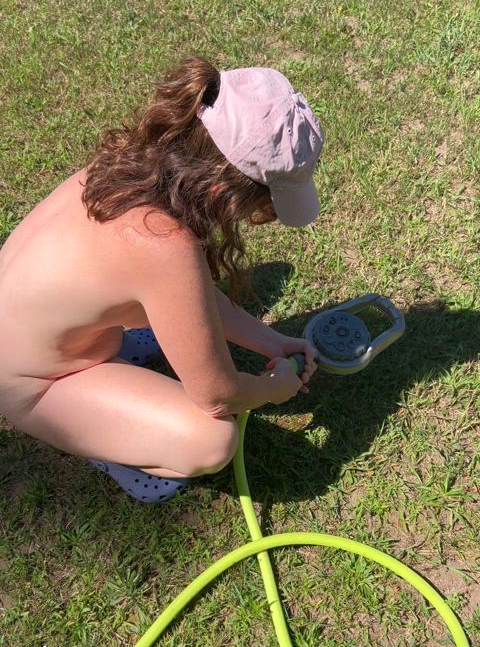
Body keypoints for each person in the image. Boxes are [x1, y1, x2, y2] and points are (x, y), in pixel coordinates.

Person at [0, 55, 323, 505]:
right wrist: (273, 388)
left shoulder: (122, 170)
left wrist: (269, 340)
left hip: (26, 340)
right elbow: (217, 395)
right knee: (212, 440)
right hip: (32, 385)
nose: (256, 216)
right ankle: (112, 445)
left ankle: (107, 359)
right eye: (259, 202)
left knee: (146, 310)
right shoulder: (164, 247)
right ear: (219, 191)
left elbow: (187, 295)